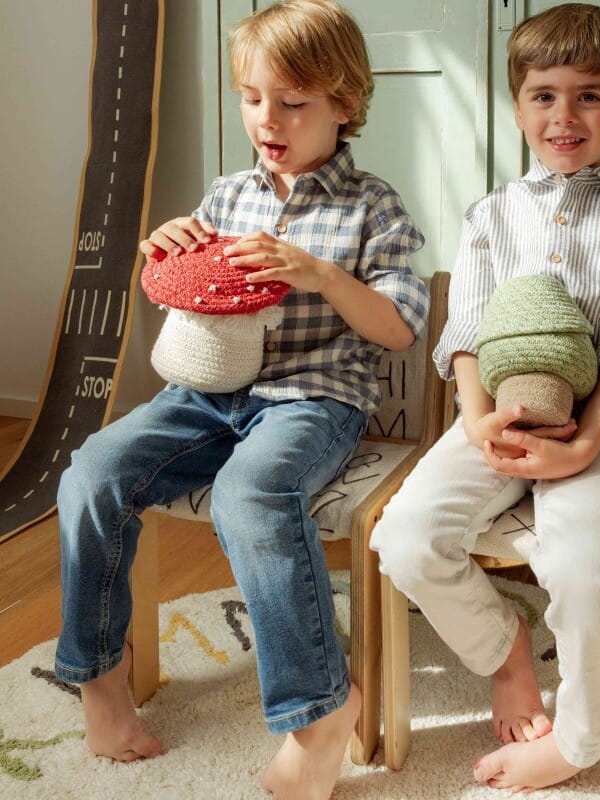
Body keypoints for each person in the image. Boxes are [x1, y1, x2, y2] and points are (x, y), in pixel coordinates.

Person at [54, 1, 428, 798]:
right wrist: (164, 252)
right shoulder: (226, 195)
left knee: (251, 493)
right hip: (206, 393)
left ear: (345, 103)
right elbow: (189, 291)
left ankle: (319, 712)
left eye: (292, 102)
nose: (267, 118)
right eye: (252, 98)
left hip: (313, 399)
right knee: (91, 472)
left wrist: (320, 274)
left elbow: (399, 329)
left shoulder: (373, 205)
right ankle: (100, 678)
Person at [371, 2, 600, 792]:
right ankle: (505, 652)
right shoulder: (491, 216)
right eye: (544, 95)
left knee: (587, 574)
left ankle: (580, 741)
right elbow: (467, 328)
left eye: (589, 96)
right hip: (494, 423)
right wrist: (478, 422)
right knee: (405, 536)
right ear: (518, 108)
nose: (564, 116)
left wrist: (583, 445)